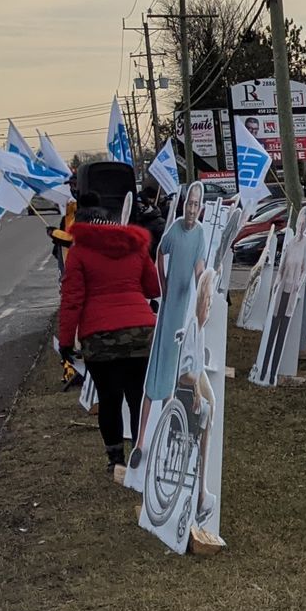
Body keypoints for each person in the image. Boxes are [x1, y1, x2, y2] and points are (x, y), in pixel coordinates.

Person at [56, 200, 160, 473]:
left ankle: (116, 460)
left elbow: (72, 301)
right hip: (142, 333)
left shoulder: (79, 253)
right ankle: (143, 456)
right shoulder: (136, 247)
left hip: (100, 337)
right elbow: (152, 287)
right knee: (139, 397)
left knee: (109, 399)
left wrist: (65, 341)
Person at [130, 187, 210, 469]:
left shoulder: (200, 233)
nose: (192, 210)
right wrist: (163, 284)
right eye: (189, 204)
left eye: (196, 206)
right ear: (184, 205)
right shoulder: (175, 229)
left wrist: (203, 285)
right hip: (167, 312)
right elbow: (160, 254)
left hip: (184, 309)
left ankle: (163, 436)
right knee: (155, 377)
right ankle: (139, 442)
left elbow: (200, 268)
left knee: (174, 378)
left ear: (200, 208)